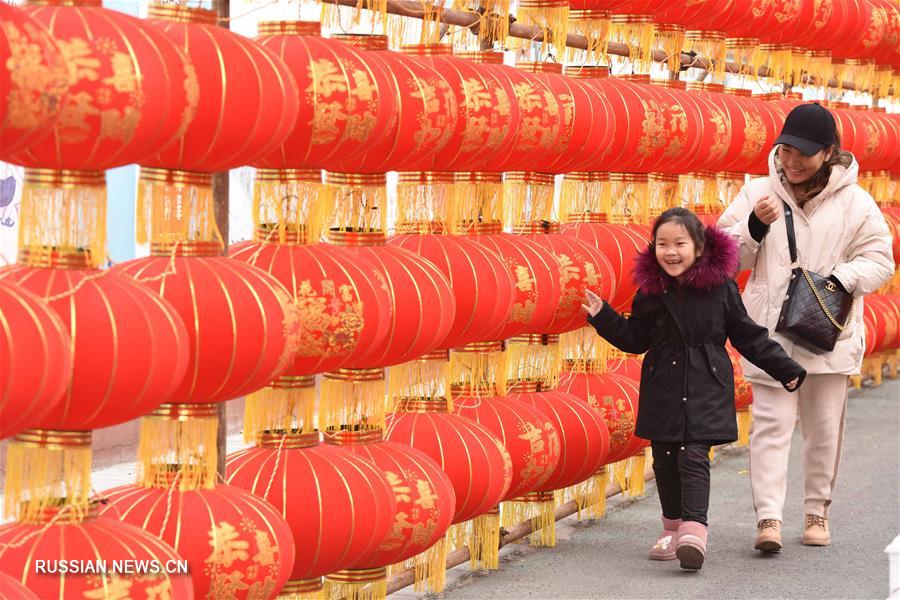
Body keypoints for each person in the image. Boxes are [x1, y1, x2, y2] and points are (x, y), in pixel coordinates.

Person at [582, 207, 806, 571]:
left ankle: (694, 529)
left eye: (679, 244)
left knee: (693, 456)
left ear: (699, 248)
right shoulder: (650, 293)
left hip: (705, 384)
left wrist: (785, 368)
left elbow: (748, 335)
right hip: (663, 387)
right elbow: (636, 339)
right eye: (662, 244)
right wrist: (604, 317)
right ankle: (671, 529)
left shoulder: (720, 288)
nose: (670, 252)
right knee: (665, 459)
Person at [717, 102, 894, 552]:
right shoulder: (757, 192)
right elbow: (723, 259)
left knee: (823, 428)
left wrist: (841, 279)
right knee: (771, 426)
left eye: (804, 153)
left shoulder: (856, 202)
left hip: (827, 332)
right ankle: (769, 520)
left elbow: (880, 262)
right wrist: (754, 226)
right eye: (786, 150)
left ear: (828, 153)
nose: (792, 161)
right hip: (769, 334)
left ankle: (817, 510)